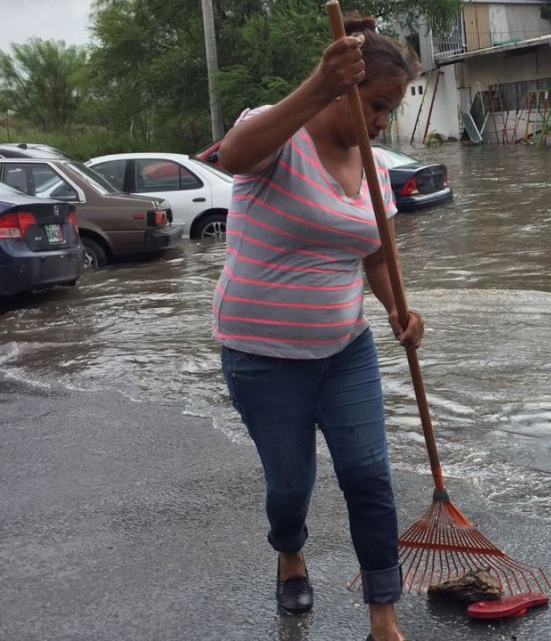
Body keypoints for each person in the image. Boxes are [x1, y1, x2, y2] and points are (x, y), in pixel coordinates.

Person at [213, 18, 422, 641]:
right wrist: (317, 83)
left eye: (391, 109)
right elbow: (232, 156)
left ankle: (383, 617)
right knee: (290, 487)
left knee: (368, 475)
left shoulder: (377, 167)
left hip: (345, 348)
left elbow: (377, 254)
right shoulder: (277, 133)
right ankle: (290, 553)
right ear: (344, 87)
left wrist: (396, 310)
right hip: (262, 356)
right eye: (378, 105)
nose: (383, 122)